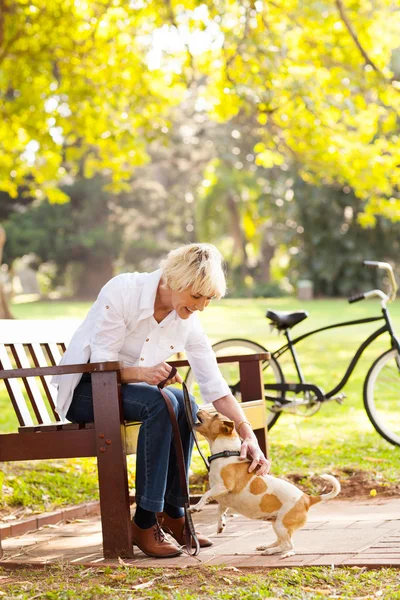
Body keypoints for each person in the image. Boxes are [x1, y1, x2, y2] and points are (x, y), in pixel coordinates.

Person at [52, 243, 271, 558]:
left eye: (208, 299)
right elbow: (102, 365)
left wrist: (247, 434)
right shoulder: (123, 292)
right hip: (87, 390)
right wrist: (141, 373)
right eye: (196, 297)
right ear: (173, 281)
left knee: (186, 403)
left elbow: (214, 383)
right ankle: (143, 521)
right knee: (162, 402)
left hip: (133, 392)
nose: (201, 307)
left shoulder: (186, 319)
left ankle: (173, 511)